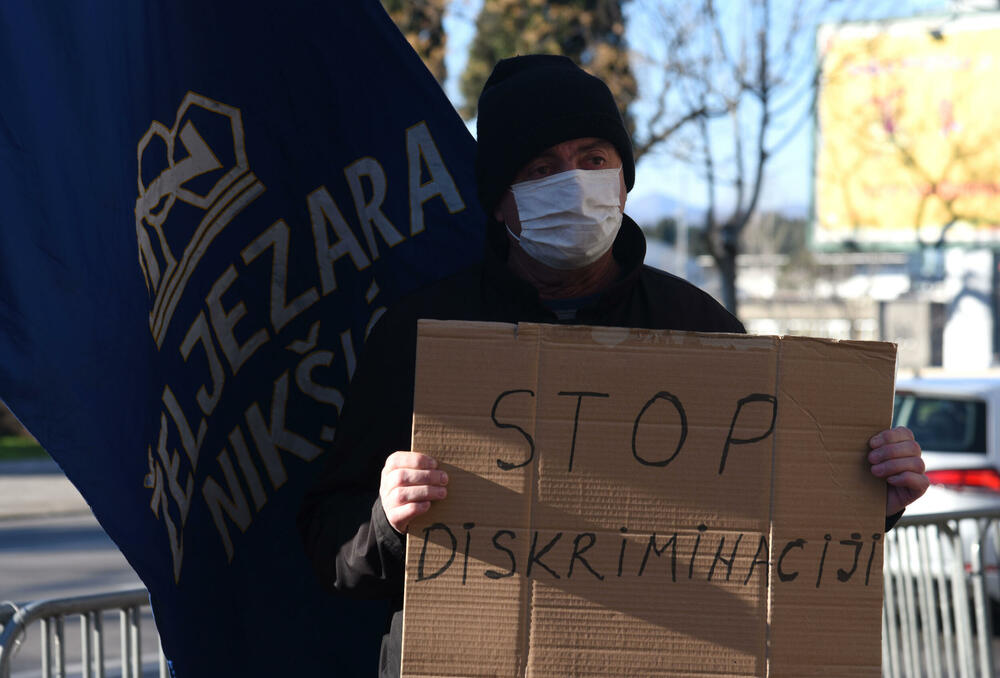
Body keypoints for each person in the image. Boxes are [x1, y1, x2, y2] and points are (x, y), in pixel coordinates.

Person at [297, 54, 928, 678]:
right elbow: (332, 551)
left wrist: (870, 499)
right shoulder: (420, 336)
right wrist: (386, 521)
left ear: (624, 180)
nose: (573, 183)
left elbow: (773, 527)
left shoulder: (700, 329)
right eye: (541, 169)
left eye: (593, 160)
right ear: (498, 202)